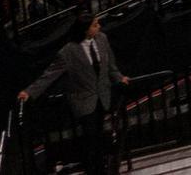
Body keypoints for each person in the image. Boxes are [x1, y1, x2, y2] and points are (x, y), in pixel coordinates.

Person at [20, 16, 131, 175]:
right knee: (91, 138)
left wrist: (119, 78)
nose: (99, 27)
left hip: (102, 97)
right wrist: (29, 91)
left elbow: (111, 66)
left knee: (99, 136)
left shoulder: (102, 39)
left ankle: (102, 170)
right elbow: (49, 74)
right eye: (95, 25)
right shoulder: (68, 52)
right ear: (85, 30)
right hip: (83, 100)